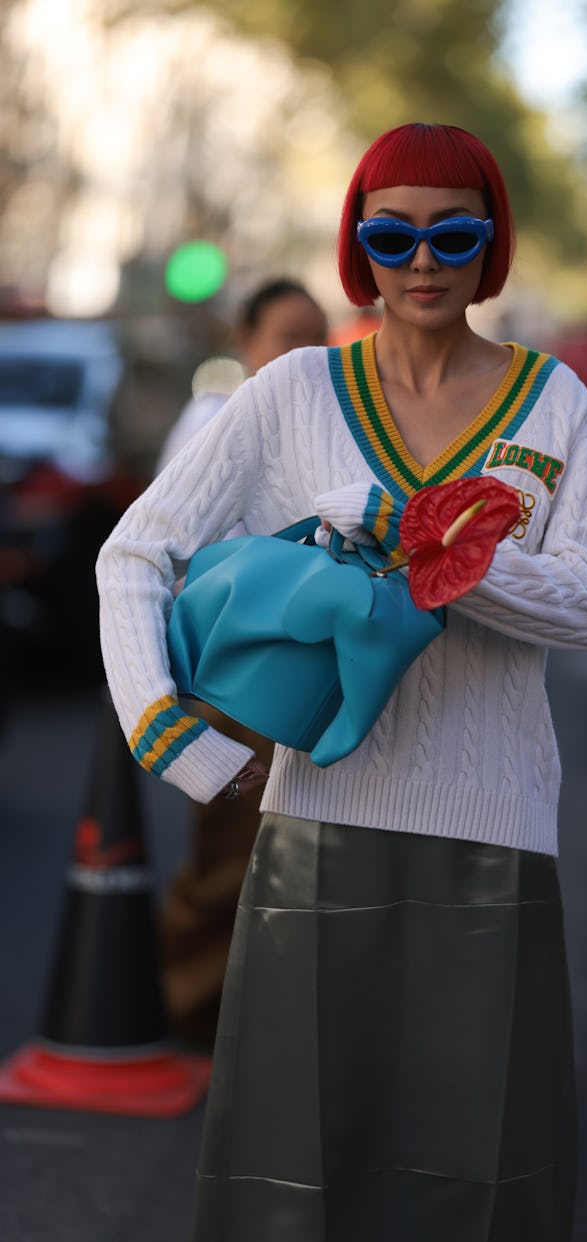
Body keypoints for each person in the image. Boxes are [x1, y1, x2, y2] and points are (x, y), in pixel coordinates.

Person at [96, 123, 587, 1242]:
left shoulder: (555, 404)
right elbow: (136, 553)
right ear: (359, 249)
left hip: (499, 825)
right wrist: (172, 736)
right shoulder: (293, 393)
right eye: (393, 235)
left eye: (454, 232)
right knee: (298, 1164)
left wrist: (447, 557)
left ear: (492, 246)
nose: (423, 261)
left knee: (480, 1167)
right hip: (318, 819)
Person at [154, 278, 329, 1046]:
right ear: (246, 341)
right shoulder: (213, 418)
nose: (306, 354)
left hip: (301, 674)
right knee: (228, 852)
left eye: (317, 337)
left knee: (292, 854)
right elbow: (164, 550)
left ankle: (261, 1019)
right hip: (231, 673)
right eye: (290, 335)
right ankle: (192, 1011)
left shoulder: (323, 423)